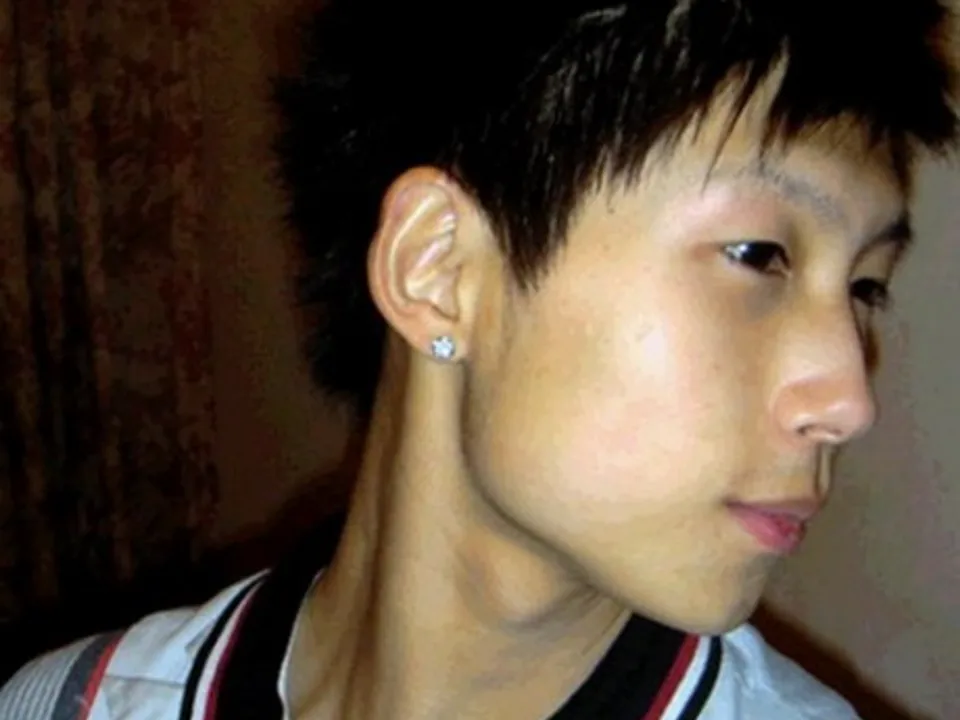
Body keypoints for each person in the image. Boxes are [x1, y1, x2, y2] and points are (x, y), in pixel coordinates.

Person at [2, 1, 957, 718]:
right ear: (439, 268)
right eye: (759, 255)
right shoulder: (69, 701)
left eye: (865, 288)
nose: (849, 398)